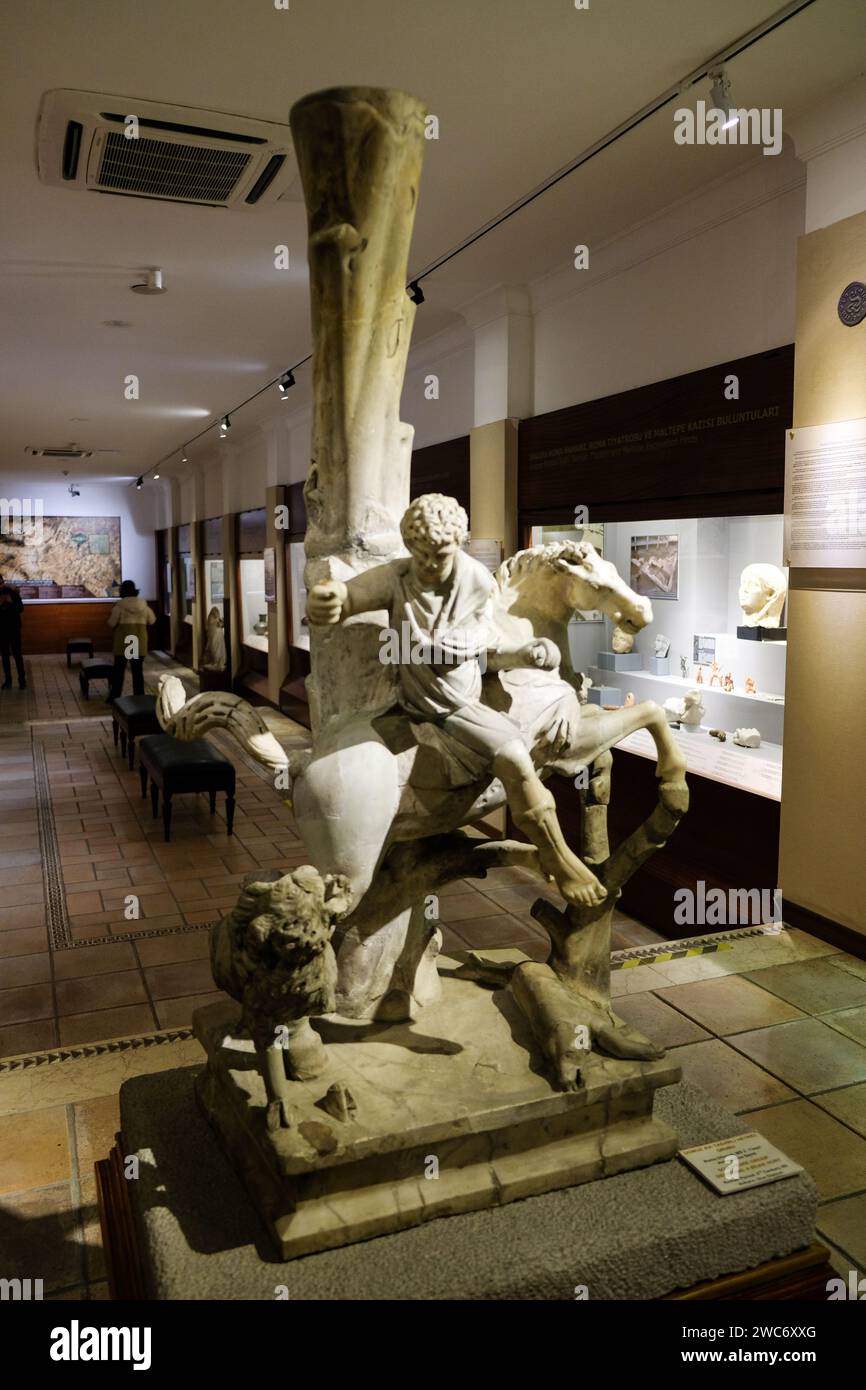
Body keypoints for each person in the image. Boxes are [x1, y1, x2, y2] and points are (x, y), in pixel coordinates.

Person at [306, 493, 606, 908]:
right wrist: (329, 599)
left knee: (517, 758)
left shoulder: (475, 584)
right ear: (410, 548)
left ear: (459, 544)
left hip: (460, 708)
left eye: (440, 555)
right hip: (408, 706)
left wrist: (523, 654)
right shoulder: (396, 578)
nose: (429, 565)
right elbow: (349, 596)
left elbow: (483, 651)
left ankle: (560, 858)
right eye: (422, 554)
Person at [107, 580, 156, 700]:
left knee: (119, 671)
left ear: (122, 591)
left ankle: (115, 696)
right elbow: (152, 620)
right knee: (137, 671)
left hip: (124, 641)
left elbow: (111, 623)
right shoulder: (143, 605)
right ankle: (139, 697)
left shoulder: (119, 606)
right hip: (138, 640)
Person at [0, 575, 26, 690]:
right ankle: (8, 680)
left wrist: (11, 602)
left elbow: (20, 608)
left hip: (14, 628)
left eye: (1, 584)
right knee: (5, 656)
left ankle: (22, 680)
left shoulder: (13, 592)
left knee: (17, 655)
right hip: (1, 630)